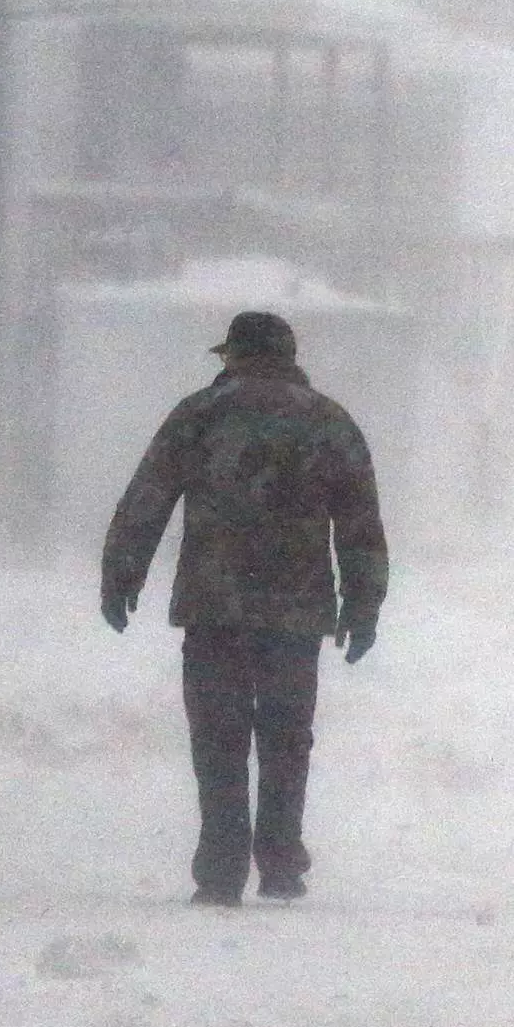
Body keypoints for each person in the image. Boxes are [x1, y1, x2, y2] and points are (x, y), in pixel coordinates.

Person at [99, 310, 387, 907]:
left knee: (218, 738)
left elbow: (147, 498)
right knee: (286, 737)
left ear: (233, 356)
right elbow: (360, 523)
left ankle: (220, 868)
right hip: (296, 611)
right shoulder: (328, 421)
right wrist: (363, 605)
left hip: (214, 607)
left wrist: (122, 573)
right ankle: (280, 862)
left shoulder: (200, 415)